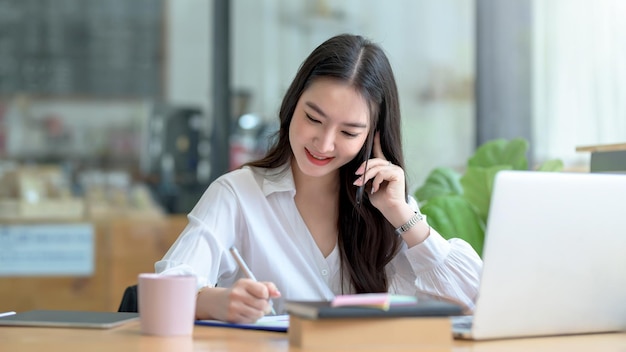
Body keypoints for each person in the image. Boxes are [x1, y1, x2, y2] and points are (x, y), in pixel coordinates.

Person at [155, 34, 482, 323]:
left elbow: (472, 301)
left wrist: (403, 216)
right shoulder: (237, 194)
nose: (324, 144)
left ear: (373, 136)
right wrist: (215, 301)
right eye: (313, 118)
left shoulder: (387, 206)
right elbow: (163, 291)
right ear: (292, 104)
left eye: (349, 132)